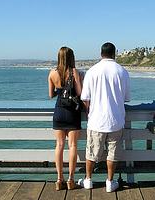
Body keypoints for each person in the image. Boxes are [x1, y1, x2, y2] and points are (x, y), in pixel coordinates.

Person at [77, 42, 130, 193]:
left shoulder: (92, 71)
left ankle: (88, 179)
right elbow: (126, 98)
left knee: (92, 152)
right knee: (113, 153)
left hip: (96, 120)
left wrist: (88, 112)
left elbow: (85, 98)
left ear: (101, 54)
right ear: (115, 54)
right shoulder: (122, 72)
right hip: (116, 120)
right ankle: (110, 181)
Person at [48, 46, 83, 191]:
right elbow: (80, 92)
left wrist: (61, 90)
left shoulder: (52, 73)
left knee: (59, 145)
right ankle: (71, 179)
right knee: (72, 145)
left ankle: (59, 178)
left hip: (59, 111)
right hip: (72, 112)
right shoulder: (74, 72)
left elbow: (51, 94)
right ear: (71, 58)